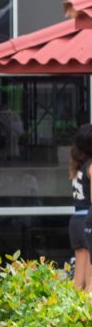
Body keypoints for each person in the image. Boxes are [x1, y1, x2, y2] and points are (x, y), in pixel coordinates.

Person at [69, 124, 92, 291]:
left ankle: (71, 305)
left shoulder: (77, 166)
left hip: (76, 220)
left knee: (78, 281)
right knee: (90, 280)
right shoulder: (91, 166)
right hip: (88, 220)